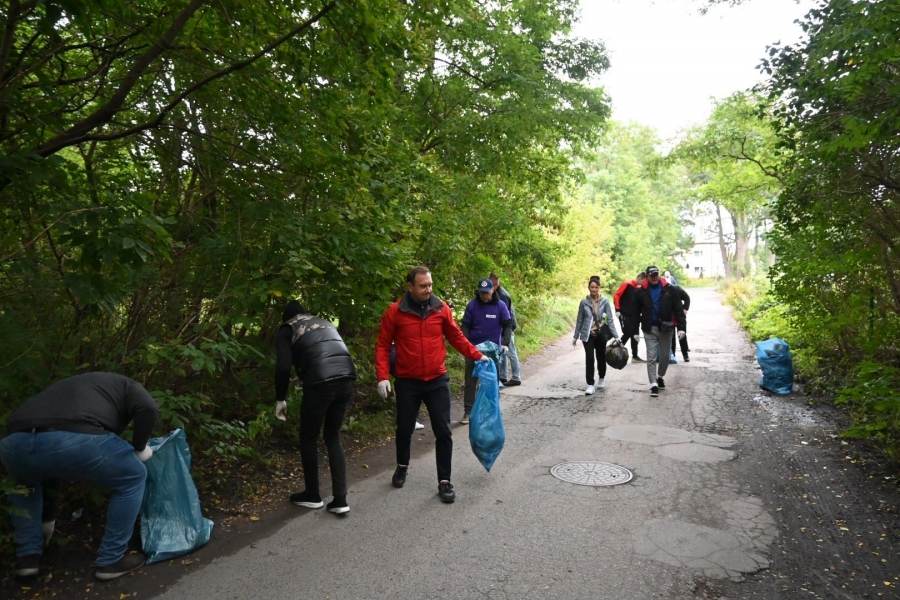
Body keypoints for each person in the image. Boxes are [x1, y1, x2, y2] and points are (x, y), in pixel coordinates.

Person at [0, 372, 159, 581]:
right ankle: (111, 560)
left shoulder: (71, 387)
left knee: (26, 487)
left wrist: (48, 518)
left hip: (12, 444)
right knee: (132, 476)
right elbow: (148, 408)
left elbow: (51, 462)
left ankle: (27, 558)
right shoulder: (128, 385)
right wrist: (140, 447)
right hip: (74, 439)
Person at [375, 266, 489, 503]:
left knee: (443, 431)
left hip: (436, 380)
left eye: (430, 285)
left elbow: (456, 336)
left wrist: (477, 355)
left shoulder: (441, 308)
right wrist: (383, 376)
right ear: (410, 286)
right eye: (423, 286)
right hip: (407, 381)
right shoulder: (395, 312)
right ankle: (402, 465)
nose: (428, 290)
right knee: (404, 428)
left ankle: (444, 481)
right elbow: (383, 344)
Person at [275, 300, 356, 515]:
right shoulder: (324, 322)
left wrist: (280, 399)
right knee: (333, 435)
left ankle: (312, 495)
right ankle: (340, 500)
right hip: (347, 376)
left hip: (320, 381)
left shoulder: (287, 329)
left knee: (309, 437)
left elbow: (283, 367)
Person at [461, 277, 513, 423]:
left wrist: (505, 343)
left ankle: (492, 411)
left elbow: (507, 324)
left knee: (492, 382)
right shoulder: (472, 305)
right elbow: (465, 325)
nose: (484, 296)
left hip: (492, 351)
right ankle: (468, 412)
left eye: (487, 292)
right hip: (473, 349)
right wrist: (466, 344)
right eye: (482, 293)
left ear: (493, 290)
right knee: (470, 381)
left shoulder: (500, 305)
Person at [637, 265, 682, 397]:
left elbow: (678, 309)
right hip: (649, 328)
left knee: (665, 356)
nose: (654, 277)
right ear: (647, 276)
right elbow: (634, 312)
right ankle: (653, 384)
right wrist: (634, 331)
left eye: (656, 274)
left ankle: (660, 376)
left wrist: (681, 328)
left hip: (666, 328)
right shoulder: (641, 291)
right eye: (652, 275)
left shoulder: (669, 289)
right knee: (651, 357)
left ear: (659, 275)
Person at [572, 275, 620, 394]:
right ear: (588, 287)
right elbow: (580, 320)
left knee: (601, 357)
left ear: (599, 288)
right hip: (588, 334)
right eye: (592, 287)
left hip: (601, 334)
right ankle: (590, 384)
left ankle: (602, 377)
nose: (594, 289)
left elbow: (610, 320)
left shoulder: (605, 301)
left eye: (596, 287)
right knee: (589, 358)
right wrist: (575, 336)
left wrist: (616, 336)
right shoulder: (584, 302)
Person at [489, 272, 522, 386]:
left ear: (495, 284)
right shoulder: (497, 293)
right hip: (503, 327)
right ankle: (503, 376)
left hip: (507, 327)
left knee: (510, 352)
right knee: (502, 352)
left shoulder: (502, 295)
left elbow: (505, 316)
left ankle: (516, 377)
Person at [613, 271, 647, 363]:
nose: (644, 283)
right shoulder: (627, 284)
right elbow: (617, 295)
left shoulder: (639, 288)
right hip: (624, 314)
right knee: (627, 333)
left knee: (635, 335)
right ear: (640, 278)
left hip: (634, 315)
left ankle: (635, 356)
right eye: (644, 281)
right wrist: (617, 309)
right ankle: (614, 351)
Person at [668, 283, 691, 362]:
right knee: (671, 337)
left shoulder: (676, 289)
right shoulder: (661, 291)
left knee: (682, 335)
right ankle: (672, 355)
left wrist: (685, 308)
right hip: (669, 315)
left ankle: (685, 355)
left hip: (679, 315)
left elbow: (687, 298)